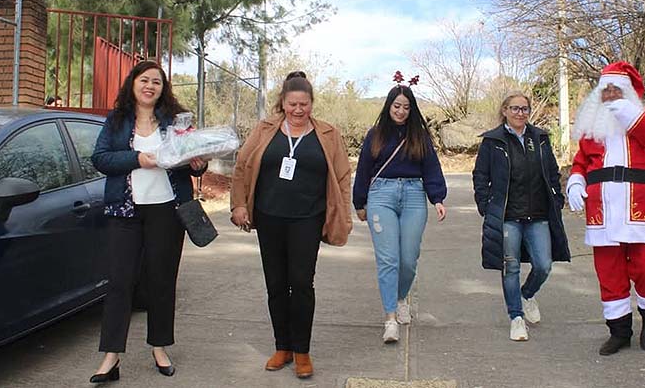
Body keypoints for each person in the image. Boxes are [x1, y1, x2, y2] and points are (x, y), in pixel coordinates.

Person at [89, 60, 207, 383]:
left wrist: (197, 163)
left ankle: (159, 347)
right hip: (125, 211)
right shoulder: (116, 121)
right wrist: (138, 159)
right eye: (145, 80)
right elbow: (100, 158)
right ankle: (111, 357)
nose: (150, 86)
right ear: (133, 83)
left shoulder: (176, 122)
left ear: (162, 89)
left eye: (157, 82)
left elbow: (193, 163)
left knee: (161, 281)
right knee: (119, 282)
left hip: (167, 212)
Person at [230, 71, 351, 379]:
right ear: (282, 102)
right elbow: (243, 166)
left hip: (307, 219)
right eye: (293, 104)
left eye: (304, 104)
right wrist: (239, 204)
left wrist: (342, 215)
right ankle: (282, 346)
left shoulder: (328, 134)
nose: (299, 110)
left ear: (312, 103)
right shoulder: (265, 129)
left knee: (301, 283)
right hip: (269, 217)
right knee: (275, 284)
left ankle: (302, 351)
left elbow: (341, 177)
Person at [566, 61, 645, 355]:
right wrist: (575, 182)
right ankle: (619, 331)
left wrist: (629, 115)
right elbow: (581, 162)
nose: (610, 94)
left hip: (642, 210)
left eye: (616, 89)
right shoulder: (593, 127)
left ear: (628, 91)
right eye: (605, 90)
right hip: (602, 212)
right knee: (609, 273)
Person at [352, 71, 447, 344]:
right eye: (397, 106)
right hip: (381, 195)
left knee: (408, 258)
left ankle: (401, 296)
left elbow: (431, 167)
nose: (401, 112)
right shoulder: (375, 134)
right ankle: (390, 318)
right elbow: (364, 170)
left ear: (411, 109)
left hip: (415, 195)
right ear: (388, 106)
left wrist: (437, 198)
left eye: (406, 107)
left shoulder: (420, 135)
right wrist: (360, 202)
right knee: (388, 260)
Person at [472, 91, 570, 341]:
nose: (520, 113)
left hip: (538, 214)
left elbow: (551, 171)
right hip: (508, 216)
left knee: (543, 265)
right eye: (514, 108)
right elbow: (481, 176)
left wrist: (557, 199)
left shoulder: (540, 138)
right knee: (510, 266)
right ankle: (516, 317)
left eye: (524, 109)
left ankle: (527, 294)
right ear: (504, 110)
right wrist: (486, 205)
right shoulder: (493, 141)